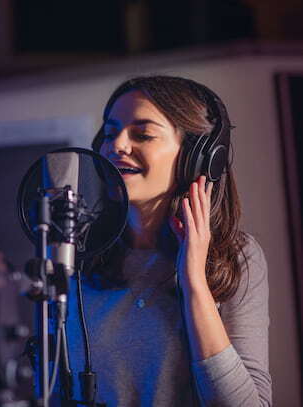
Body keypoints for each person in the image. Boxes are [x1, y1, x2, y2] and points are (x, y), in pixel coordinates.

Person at [58, 75, 271, 406]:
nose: (116, 146)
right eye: (110, 133)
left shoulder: (238, 257)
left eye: (142, 134)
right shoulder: (75, 255)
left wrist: (195, 283)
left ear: (197, 157)